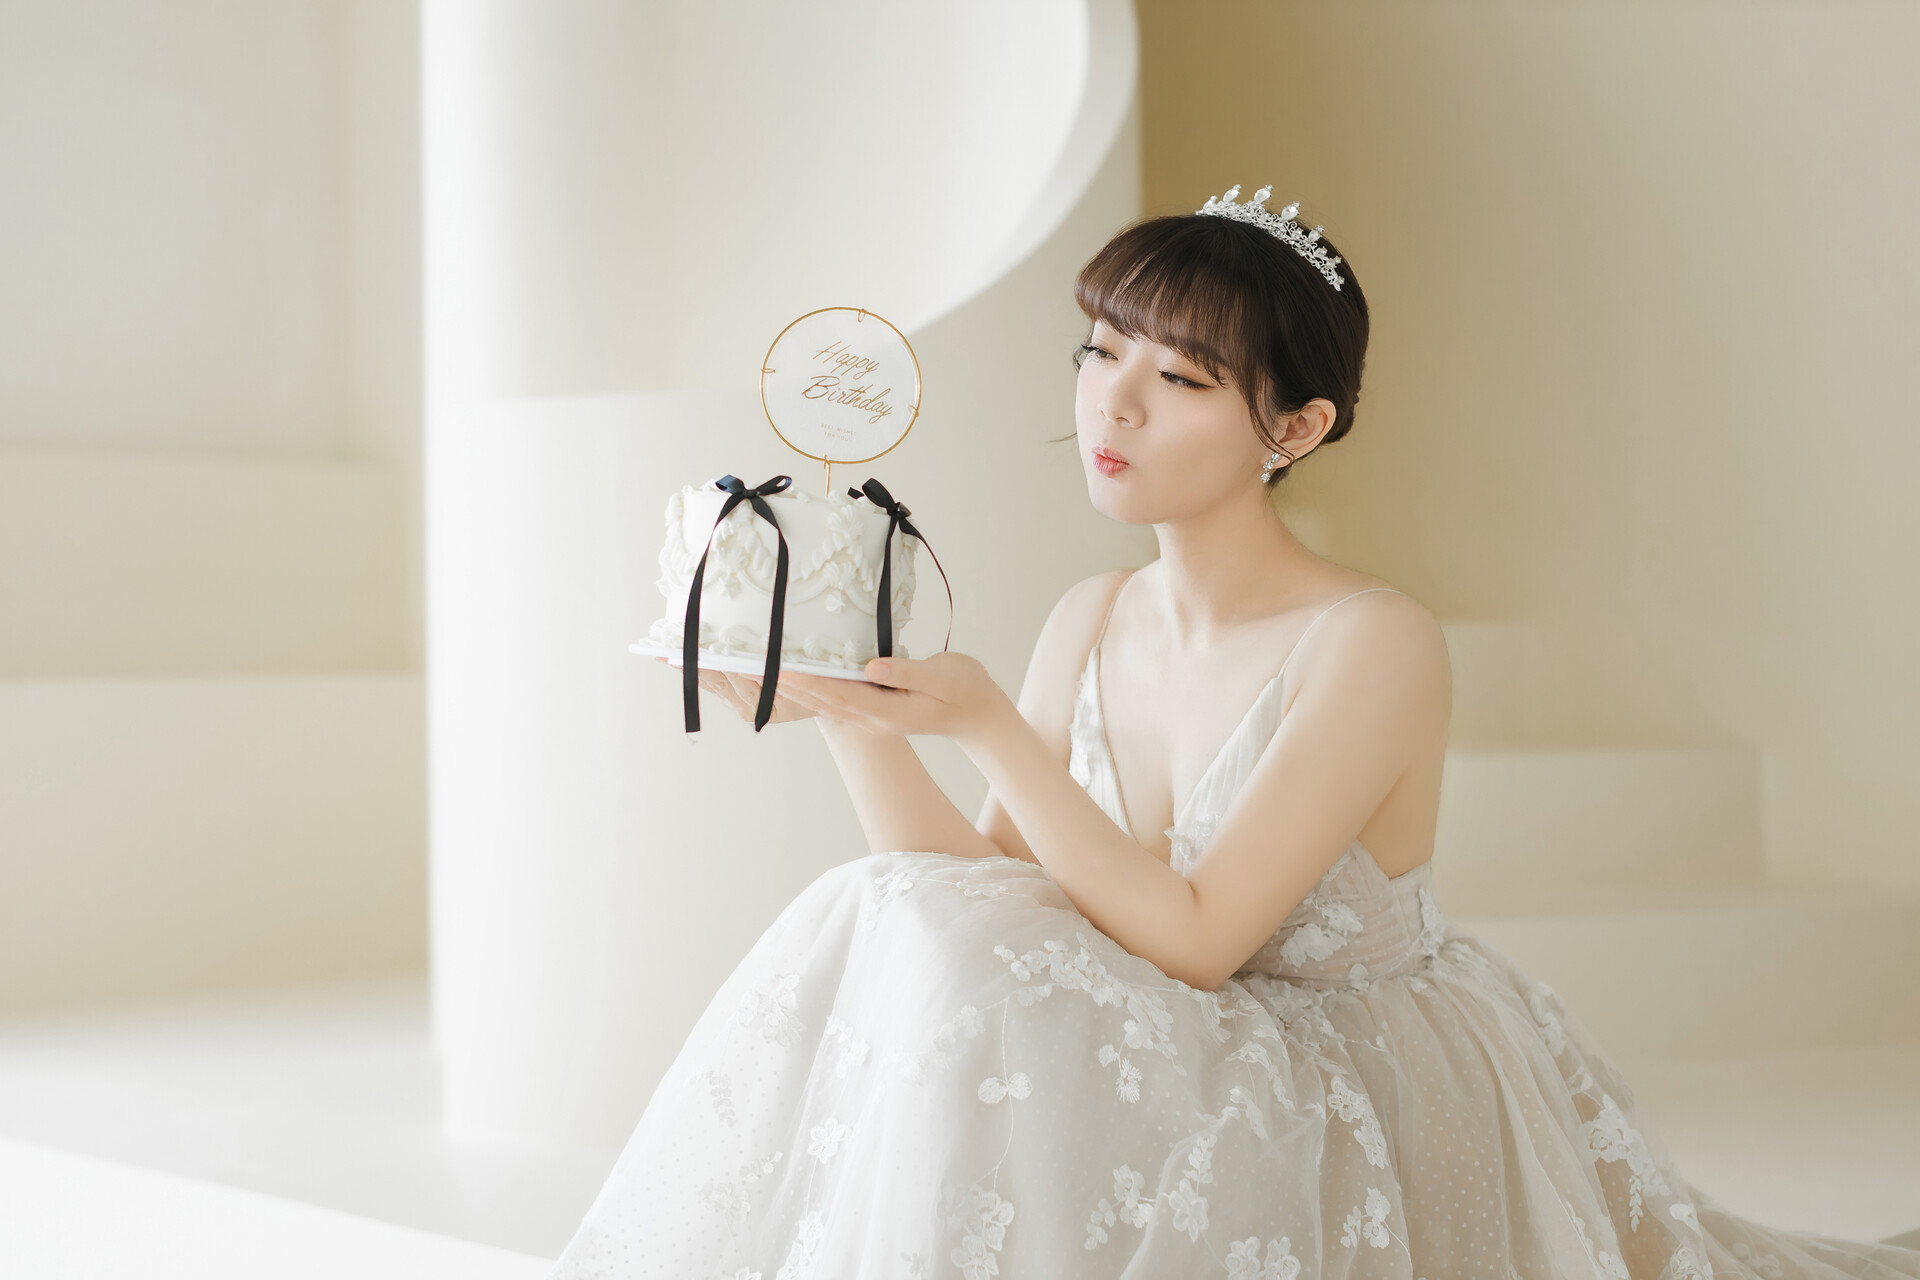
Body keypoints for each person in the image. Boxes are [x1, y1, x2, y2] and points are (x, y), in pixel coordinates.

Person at [550, 187, 1920, 1278]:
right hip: (1185, 1050)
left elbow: (1206, 939)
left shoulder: (1375, 642)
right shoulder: (1093, 614)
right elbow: (983, 888)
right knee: (893, 912)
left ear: (1296, 426)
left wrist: (986, 722)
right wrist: (840, 712)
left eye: (1183, 378)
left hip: (1343, 1067)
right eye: (1100, 352)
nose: (1114, 403)